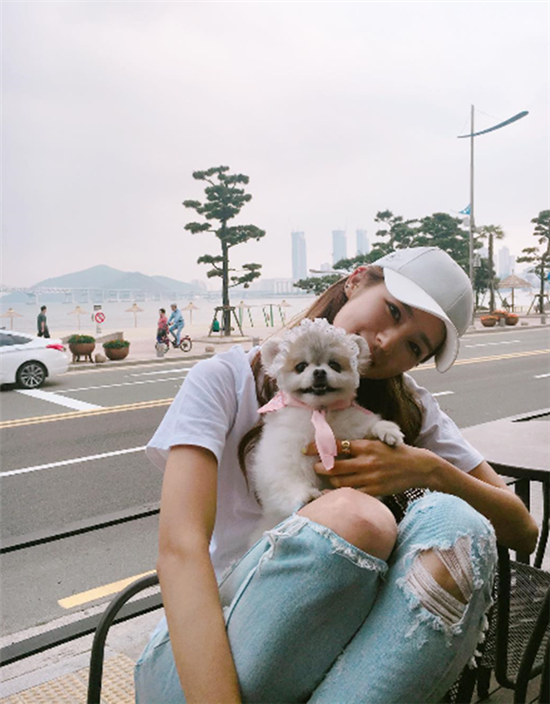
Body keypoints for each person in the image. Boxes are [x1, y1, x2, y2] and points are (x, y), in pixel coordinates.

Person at [135, 247, 538, 704]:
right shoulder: (224, 379)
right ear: (357, 280)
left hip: (341, 649)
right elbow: (180, 551)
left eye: (414, 347)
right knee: (356, 518)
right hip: (204, 651)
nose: (386, 342)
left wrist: (427, 469)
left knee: (459, 524)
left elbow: (522, 529)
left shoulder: (412, 409)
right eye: (394, 311)